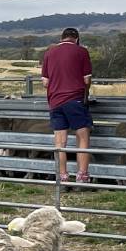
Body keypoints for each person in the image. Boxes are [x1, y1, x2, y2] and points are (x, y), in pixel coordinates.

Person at [42, 27, 93, 186]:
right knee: (83, 137)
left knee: (60, 143)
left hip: (55, 102)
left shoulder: (49, 52)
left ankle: (62, 178)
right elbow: (86, 80)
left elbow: (45, 82)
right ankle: (82, 178)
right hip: (74, 101)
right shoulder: (82, 52)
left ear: (61, 38)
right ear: (77, 39)